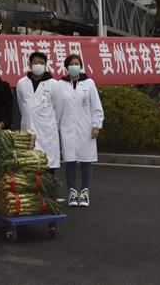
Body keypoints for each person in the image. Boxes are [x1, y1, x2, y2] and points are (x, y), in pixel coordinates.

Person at [58, 54, 104, 207]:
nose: (74, 66)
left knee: (86, 160)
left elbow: (96, 106)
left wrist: (96, 125)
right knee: (69, 160)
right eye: (71, 64)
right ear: (66, 67)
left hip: (86, 127)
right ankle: (72, 191)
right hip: (67, 127)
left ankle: (84, 191)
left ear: (81, 66)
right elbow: (57, 107)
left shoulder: (89, 83)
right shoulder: (60, 84)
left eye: (77, 63)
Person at [16, 51, 63, 173]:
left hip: (47, 132)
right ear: (29, 65)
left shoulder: (54, 84)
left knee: (47, 168)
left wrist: (51, 124)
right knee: (29, 168)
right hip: (28, 131)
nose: (38, 65)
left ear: (46, 65)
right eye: (35, 63)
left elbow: (59, 108)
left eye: (42, 63)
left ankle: (47, 192)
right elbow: (22, 106)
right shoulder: (21, 83)